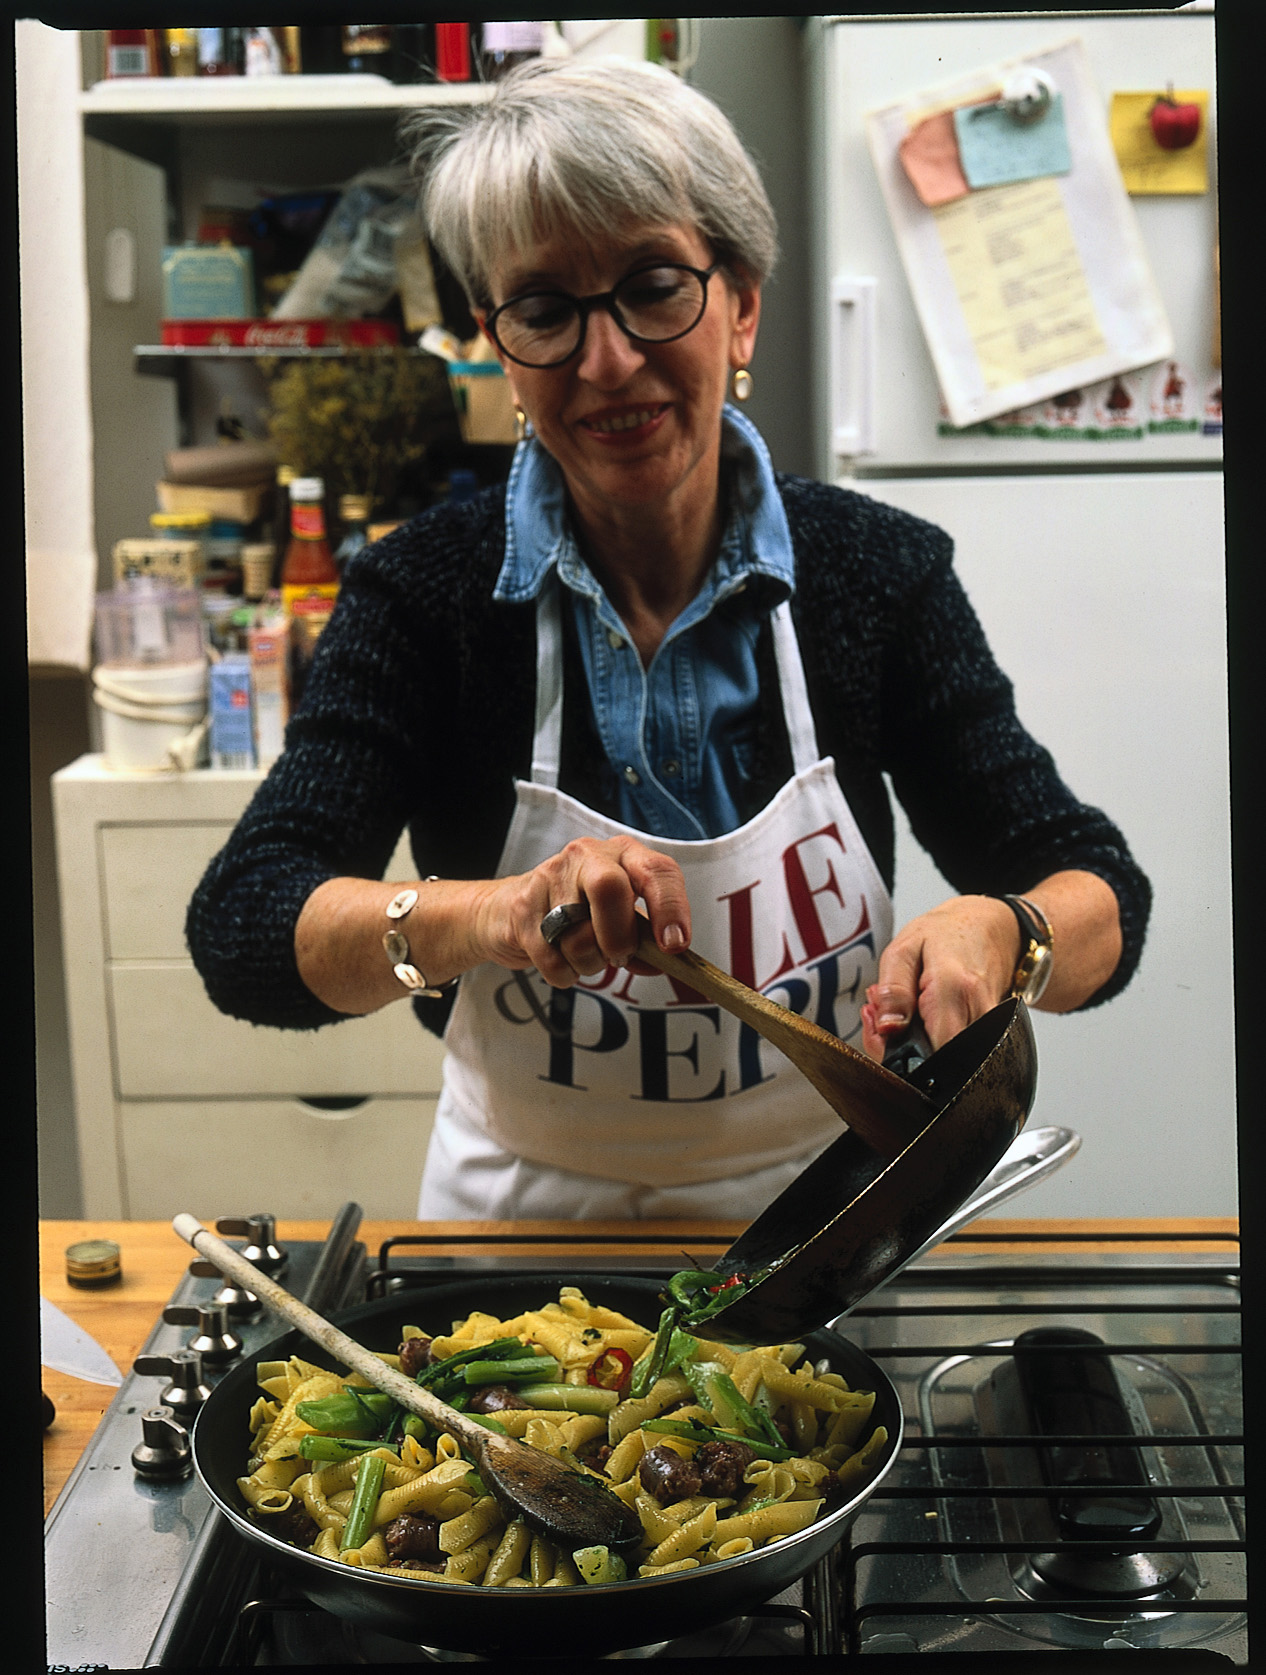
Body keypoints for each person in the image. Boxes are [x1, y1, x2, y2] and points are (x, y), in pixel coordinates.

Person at [187, 58, 1150, 1221]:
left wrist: (1007, 928)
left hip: (829, 1228)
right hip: (519, 1252)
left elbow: (1100, 887)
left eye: (652, 286)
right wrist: (485, 914)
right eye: (546, 309)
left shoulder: (877, 574)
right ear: (499, 340)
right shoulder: (421, 596)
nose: (608, 361)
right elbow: (244, 924)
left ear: (740, 301)